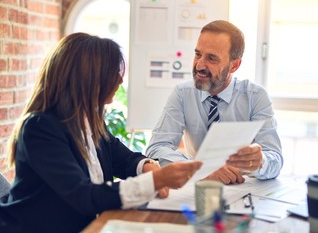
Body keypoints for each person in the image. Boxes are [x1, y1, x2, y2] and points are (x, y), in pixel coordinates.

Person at [0, 33, 202, 233]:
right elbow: (83, 196)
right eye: (113, 72)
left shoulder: (89, 120)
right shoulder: (41, 128)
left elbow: (123, 159)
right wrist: (156, 181)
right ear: (89, 78)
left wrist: (147, 167)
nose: (120, 81)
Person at [146, 20, 283, 184]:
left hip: (244, 189)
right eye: (198, 54)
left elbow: (275, 159)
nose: (199, 65)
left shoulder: (255, 97)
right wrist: (199, 169)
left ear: (234, 65)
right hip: (200, 186)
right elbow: (155, 149)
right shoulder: (183, 94)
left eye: (211, 58)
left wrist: (260, 161)